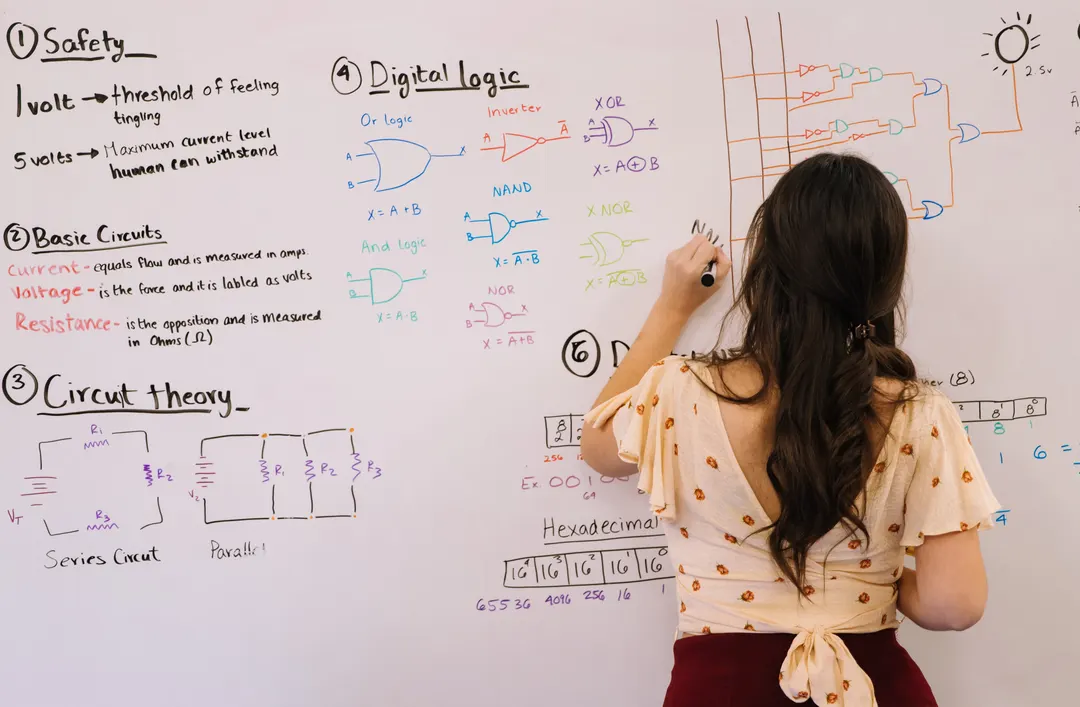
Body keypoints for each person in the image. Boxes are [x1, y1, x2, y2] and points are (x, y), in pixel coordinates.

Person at [581, 152, 1000, 707]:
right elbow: (956, 604)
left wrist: (672, 307)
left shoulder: (678, 392)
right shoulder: (920, 413)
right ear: (883, 281)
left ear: (766, 264)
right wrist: (860, 584)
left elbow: (598, 443)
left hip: (719, 690)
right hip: (874, 686)